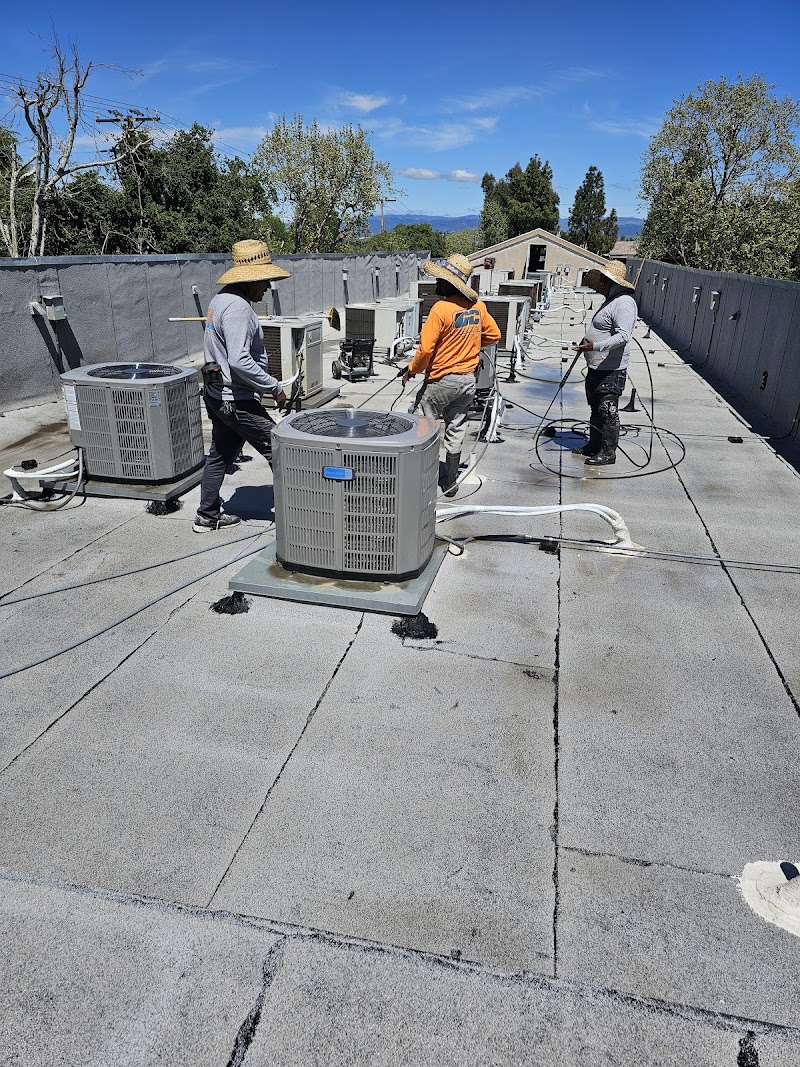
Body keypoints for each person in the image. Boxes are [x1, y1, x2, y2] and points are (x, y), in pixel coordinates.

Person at [193, 239, 290, 532]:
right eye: (265, 280)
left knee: (220, 454)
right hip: (235, 400)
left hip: (217, 394)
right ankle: (296, 520)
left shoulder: (221, 299)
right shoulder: (238, 309)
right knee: (280, 450)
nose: (268, 286)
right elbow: (238, 360)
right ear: (250, 280)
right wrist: (274, 387)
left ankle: (207, 515)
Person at [402, 254, 500, 496]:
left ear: (450, 284)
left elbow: (426, 350)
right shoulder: (478, 307)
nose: (436, 283)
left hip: (441, 381)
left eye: (440, 279)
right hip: (467, 381)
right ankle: (450, 483)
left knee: (420, 424)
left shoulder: (441, 309)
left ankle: (417, 479)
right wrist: (469, 345)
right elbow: (494, 335)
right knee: (456, 428)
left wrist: (411, 370)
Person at [571, 259, 637, 466]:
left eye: (603, 279)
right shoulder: (610, 301)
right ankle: (594, 444)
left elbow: (623, 336)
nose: (600, 283)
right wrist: (587, 343)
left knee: (607, 409)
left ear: (612, 281)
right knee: (596, 407)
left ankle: (608, 453)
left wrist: (596, 346)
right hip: (597, 366)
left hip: (611, 369)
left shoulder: (624, 303)